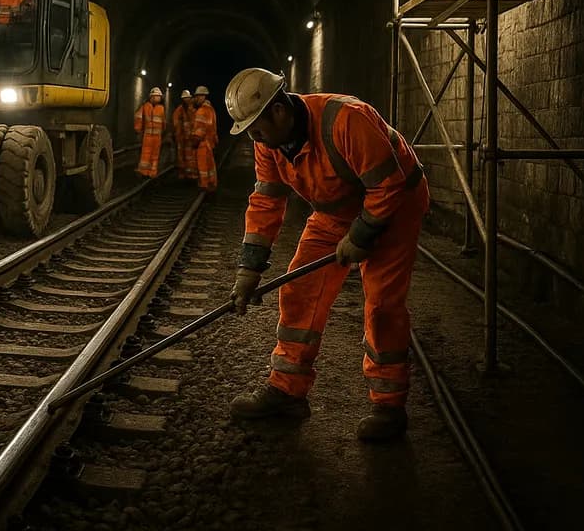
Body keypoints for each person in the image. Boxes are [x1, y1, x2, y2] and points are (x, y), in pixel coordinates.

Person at [223, 67, 429, 442]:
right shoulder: (268, 144)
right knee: (299, 290)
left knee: (382, 306)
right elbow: (267, 202)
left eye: (256, 129)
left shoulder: (347, 120)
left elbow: (389, 185)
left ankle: (389, 406)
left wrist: (363, 234)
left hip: (394, 206)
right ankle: (287, 392)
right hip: (335, 212)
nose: (255, 139)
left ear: (279, 111)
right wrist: (248, 269)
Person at [188, 85, 218, 192]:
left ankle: (204, 185)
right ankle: (211, 183)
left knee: (203, 166)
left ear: (203, 97)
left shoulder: (202, 111)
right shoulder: (211, 109)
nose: (196, 99)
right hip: (209, 142)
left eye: (198, 96)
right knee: (209, 166)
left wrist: (195, 140)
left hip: (202, 143)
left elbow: (200, 128)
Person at [134, 87, 166, 179]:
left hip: (157, 136)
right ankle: (144, 171)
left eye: (159, 97)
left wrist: (164, 131)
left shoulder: (161, 108)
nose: (158, 98)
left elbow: (163, 121)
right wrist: (138, 130)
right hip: (147, 135)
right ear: (151, 97)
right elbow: (138, 117)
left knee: (155, 155)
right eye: (157, 96)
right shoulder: (145, 106)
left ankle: (152, 172)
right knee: (146, 154)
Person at [172, 89, 197, 180]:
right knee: (181, 157)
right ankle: (183, 175)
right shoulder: (179, 110)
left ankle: (192, 175)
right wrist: (177, 134)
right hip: (182, 138)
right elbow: (175, 123)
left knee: (191, 157)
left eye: (187, 98)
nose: (186, 100)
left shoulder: (193, 109)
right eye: (184, 99)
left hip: (191, 138)